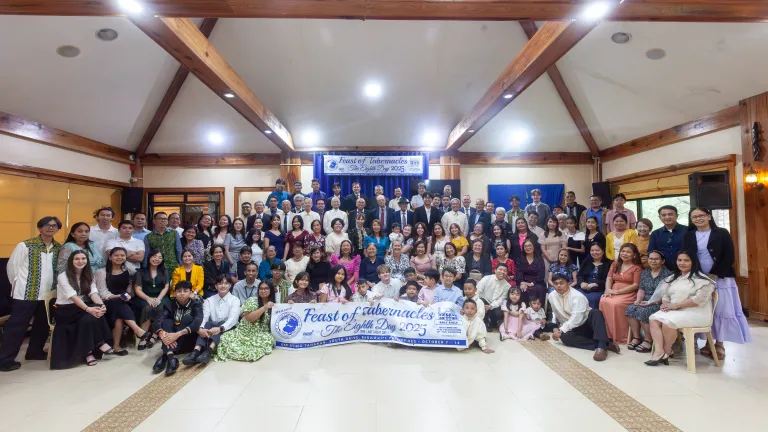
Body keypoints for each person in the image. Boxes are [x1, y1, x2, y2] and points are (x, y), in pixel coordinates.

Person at [684, 207, 751, 360]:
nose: (698, 219)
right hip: (699, 279)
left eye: (701, 215)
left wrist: (714, 275)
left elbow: (729, 256)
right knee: (704, 310)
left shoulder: (721, 233)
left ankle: (719, 343)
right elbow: (687, 255)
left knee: (721, 310)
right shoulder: (689, 235)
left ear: (709, 216)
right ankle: (707, 342)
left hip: (721, 277)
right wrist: (697, 275)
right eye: (694, 217)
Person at [0, 216, 62, 372]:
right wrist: (19, 286)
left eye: (54, 226)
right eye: (47, 225)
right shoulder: (26, 245)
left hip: (47, 295)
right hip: (25, 293)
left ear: (58, 229)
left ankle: (34, 352)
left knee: (41, 325)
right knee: (17, 327)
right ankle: (5, 360)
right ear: (40, 228)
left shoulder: (58, 248)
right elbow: (12, 268)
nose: (51, 228)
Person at [645, 251, 715, 366]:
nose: (682, 263)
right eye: (679, 260)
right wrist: (666, 303)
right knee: (654, 319)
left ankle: (667, 350)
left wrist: (676, 306)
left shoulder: (704, 280)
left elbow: (698, 301)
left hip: (696, 312)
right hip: (676, 310)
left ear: (694, 262)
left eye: (686, 260)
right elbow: (666, 293)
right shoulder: (674, 277)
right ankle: (659, 351)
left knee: (668, 322)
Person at [51, 250, 115, 369]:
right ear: (71, 261)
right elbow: (73, 297)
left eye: (83, 259)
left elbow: (93, 292)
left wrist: (101, 305)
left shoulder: (88, 273)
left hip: (79, 307)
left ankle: (89, 352)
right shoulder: (63, 276)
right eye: (77, 259)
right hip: (64, 310)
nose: (80, 261)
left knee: (96, 312)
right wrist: (88, 309)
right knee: (89, 317)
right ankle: (97, 344)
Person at [544, 274, 620, 361]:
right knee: (565, 338)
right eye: (556, 283)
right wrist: (557, 328)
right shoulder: (551, 296)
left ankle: (601, 347)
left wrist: (561, 329)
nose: (558, 286)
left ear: (568, 283)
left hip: (586, 324)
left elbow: (577, 318)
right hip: (572, 328)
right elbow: (555, 312)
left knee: (596, 313)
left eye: (561, 283)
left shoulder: (577, 296)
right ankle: (604, 343)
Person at [95, 248, 152, 355]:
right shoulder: (101, 272)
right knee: (118, 305)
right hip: (108, 301)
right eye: (116, 255)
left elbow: (133, 280)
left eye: (122, 255)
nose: (119, 257)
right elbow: (102, 293)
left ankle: (116, 347)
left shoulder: (128, 268)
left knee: (119, 315)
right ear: (110, 257)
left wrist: (129, 289)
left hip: (125, 300)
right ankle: (137, 330)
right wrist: (118, 296)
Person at [182, 275, 240, 366]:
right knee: (207, 324)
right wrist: (201, 328)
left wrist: (220, 328)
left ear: (230, 285)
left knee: (221, 323)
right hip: (212, 326)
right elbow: (204, 317)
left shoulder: (235, 300)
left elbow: (233, 319)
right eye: (220, 283)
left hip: (229, 327)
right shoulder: (209, 300)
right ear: (216, 286)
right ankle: (196, 351)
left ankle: (209, 351)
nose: (223, 286)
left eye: (226, 283)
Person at [151, 281, 204, 376]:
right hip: (172, 341)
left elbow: (196, 323)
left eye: (185, 291)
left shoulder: (196, 304)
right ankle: (171, 358)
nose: (182, 294)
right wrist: (162, 333)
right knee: (167, 322)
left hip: (187, 341)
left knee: (188, 318)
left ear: (191, 293)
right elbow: (158, 321)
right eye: (179, 291)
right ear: (174, 293)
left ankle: (165, 356)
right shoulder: (169, 305)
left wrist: (176, 335)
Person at [216, 280, 276, 362]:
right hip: (244, 332)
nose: (263, 291)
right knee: (225, 339)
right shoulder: (252, 300)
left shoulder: (274, 304)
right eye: (261, 289)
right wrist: (264, 307)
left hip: (261, 333)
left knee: (268, 339)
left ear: (271, 290)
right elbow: (249, 318)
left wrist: (291, 304)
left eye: (266, 289)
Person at [625, 250, 672, 354]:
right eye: (651, 258)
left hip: (659, 302)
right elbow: (641, 289)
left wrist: (652, 302)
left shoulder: (668, 274)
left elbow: (668, 294)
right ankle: (637, 337)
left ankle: (648, 340)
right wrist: (638, 300)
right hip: (645, 300)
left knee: (644, 311)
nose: (653, 261)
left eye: (656, 259)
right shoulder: (645, 272)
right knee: (631, 309)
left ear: (662, 261)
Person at [599, 243, 642, 345]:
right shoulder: (615, 264)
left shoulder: (637, 268)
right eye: (623, 251)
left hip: (629, 294)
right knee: (603, 300)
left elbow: (636, 285)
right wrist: (607, 290)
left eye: (628, 252)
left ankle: (621, 336)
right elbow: (609, 278)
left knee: (616, 304)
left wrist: (617, 292)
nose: (624, 254)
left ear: (634, 255)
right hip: (612, 291)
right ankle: (607, 334)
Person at [132, 249, 170, 350]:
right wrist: (148, 298)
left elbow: (166, 287)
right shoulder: (141, 272)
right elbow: (137, 289)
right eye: (154, 256)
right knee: (147, 308)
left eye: (160, 257)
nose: (157, 259)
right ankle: (143, 336)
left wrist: (158, 298)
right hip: (144, 296)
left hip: (161, 296)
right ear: (149, 258)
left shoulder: (164, 271)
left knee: (161, 306)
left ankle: (155, 334)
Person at [648, 205, 687, 271]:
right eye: (664, 215)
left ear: (677, 216)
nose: (667, 217)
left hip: (684, 268)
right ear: (660, 217)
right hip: (662, 270)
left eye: (670, 214)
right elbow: (651, 252)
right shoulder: (655, 233)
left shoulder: (687, 231)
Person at [577, 243, 612, 309]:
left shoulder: (609, 264)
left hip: (599, 289)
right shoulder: (586, 261)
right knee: (576, 296)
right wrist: (582, 283)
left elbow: (610, 280)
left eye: (597, 250)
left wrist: (596, 284)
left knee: (593, 299)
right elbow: (579, 275)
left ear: (603, 251)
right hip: (584, 288)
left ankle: (592, 318)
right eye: (592, 250)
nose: (594, 252)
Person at [477, 264, 510, 329]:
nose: (502, 272)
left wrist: (491, 306)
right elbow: (478, 291)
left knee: (500, 312)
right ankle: (485, 322)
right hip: (483, 302)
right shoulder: (486, 278)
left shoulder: (507, 286)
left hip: (494, 306)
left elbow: (501, 299)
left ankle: (492, 322)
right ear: (495, 270)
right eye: (500, 269)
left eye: (505, 271)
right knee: (481, 301)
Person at [516, 239, 547, 306]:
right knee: (520, 289)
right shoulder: (520, 258)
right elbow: (518, 272)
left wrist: (532, 283)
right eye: (525, 246)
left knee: (538, 289)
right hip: (523, 281)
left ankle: (537, 310)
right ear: (523, 248)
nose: (528, 248)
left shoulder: (539, 258)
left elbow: (541, 274)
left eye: (530, 245)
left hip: (537, 282)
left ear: (534, 247)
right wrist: (522, 282)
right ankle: (523, 310)